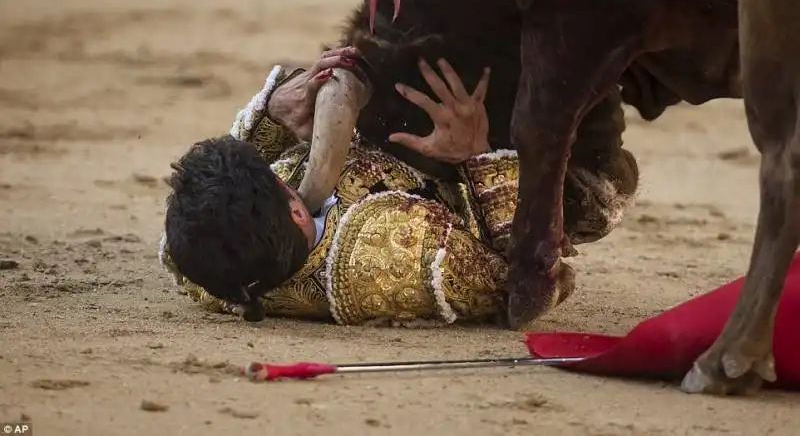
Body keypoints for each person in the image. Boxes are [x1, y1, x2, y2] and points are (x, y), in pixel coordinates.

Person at [158, 48, 635, 327]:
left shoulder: (207, 268)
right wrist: (479, 154)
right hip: (491, 162)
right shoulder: (398, 255)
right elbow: (537, 283)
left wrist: (271, 111)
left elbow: (172, 243)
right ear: (297, 213)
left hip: (397, 124)